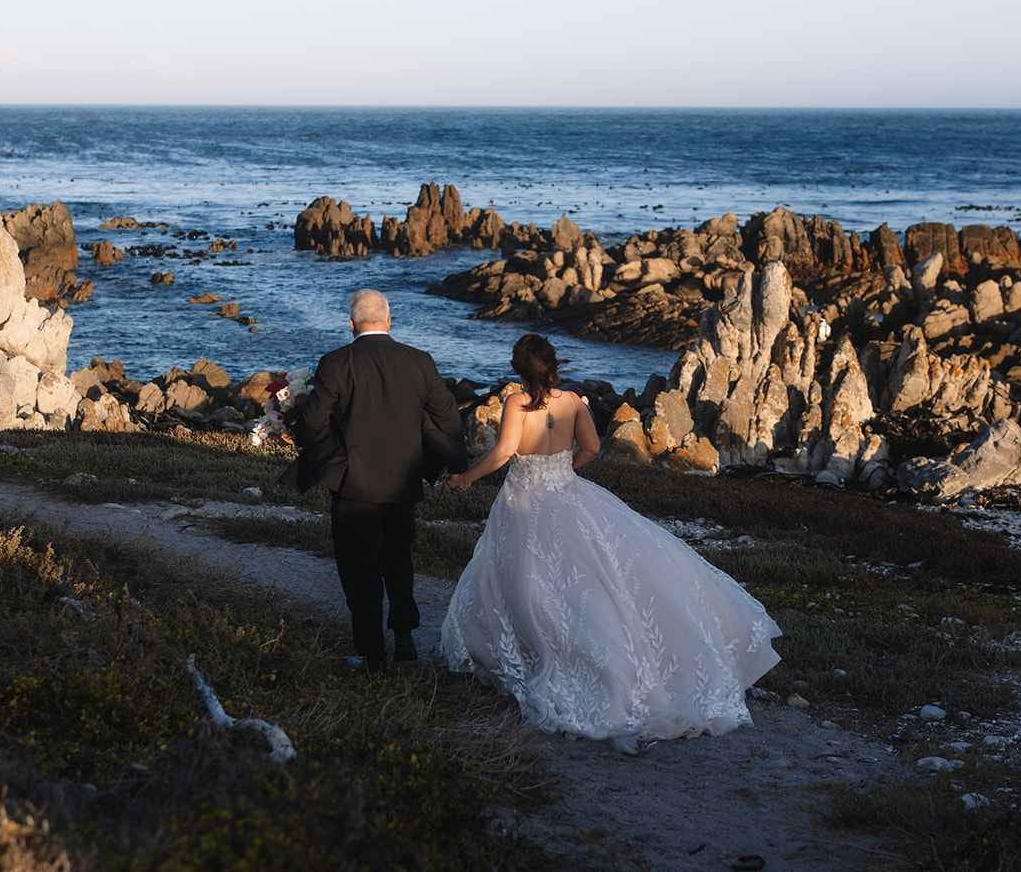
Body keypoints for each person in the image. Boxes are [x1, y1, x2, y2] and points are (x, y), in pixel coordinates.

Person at [440, 334, 781, 755]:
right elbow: (593, 448)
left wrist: (467, 477)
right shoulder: (575, 402)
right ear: (553, 365)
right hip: (567, 493)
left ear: (520, 369)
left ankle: (526, 654)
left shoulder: (515, 403)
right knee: (589, 580)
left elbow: (506, 450)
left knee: (523, 580)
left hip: (526, 500)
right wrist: (563, 468)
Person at [286, 289, 468, 673]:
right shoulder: (419, 361)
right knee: (399, 558)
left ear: (351, 324)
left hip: (354, 484)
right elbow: (450, 420)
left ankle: (372, 655)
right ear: (388, 321)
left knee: (359, 569)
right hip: (404, 481)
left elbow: (310, 427)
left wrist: (298, 421)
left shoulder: (336, 362)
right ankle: (404, 636)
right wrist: (430, 461)